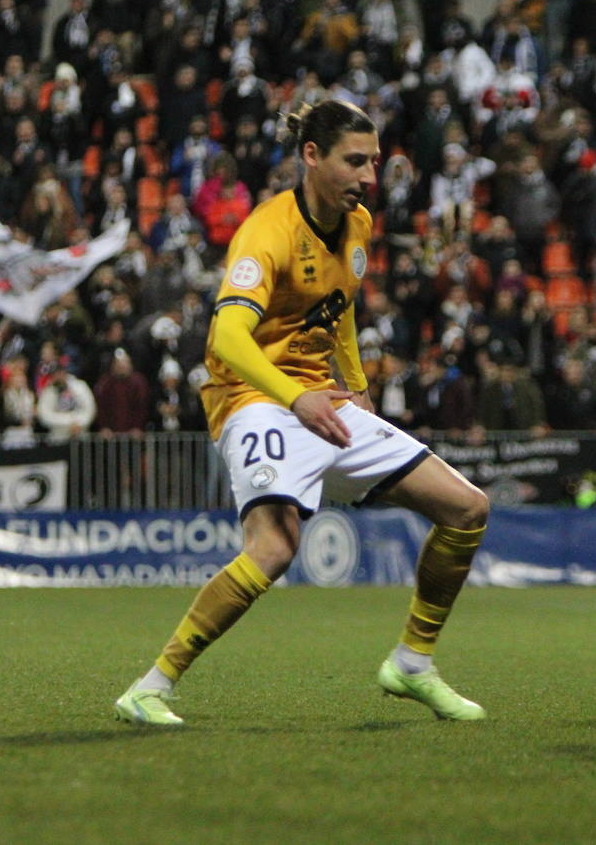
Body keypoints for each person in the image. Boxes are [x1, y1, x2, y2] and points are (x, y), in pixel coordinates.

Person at [115, 100, 490, 726]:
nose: (369, 175)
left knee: (467, 509)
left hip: (322, 397)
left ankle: (412, 663)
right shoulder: (266, 232)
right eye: (354, 161)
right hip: (253, 397)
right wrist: (296, 397)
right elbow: (230, 338)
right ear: (311, 157)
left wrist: (357, 383)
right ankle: (152, 685)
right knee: (275, 546)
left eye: (373, 160)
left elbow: (338, 311)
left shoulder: (359, 223)